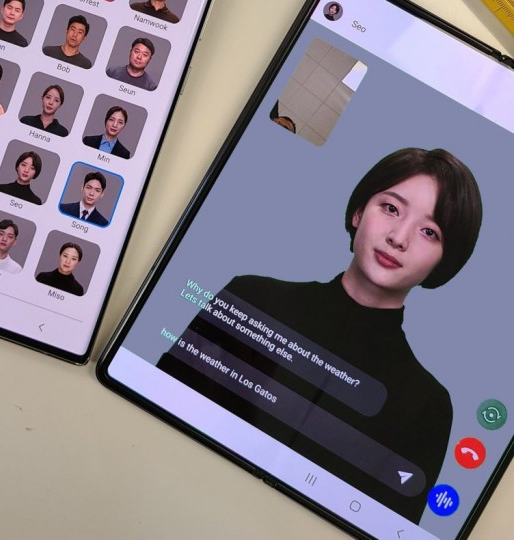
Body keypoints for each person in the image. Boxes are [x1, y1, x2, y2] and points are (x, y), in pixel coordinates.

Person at [158, 147, 483, 522]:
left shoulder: (428, 405)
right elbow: (160, 407)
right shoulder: (251, 298)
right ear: (358, 212)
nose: (399, 237)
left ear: (443, 261)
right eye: (391, 208)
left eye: (429, 231)